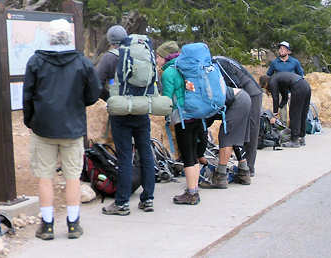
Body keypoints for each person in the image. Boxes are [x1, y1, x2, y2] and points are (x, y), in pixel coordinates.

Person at [23, 19, 101, 240]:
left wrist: (30, 121)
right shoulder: (82, 62)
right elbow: (94, 92)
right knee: (72, 177)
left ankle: (47, 225)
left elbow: (27, 95)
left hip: (43, 128)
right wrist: (79, 104)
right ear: (69, 37)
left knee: (45, 177)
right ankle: (73, 224)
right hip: (73, 128)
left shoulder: (36, 61)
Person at [94, 26, 158, 216]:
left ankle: (121, 203)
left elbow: (97, 82)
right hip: (141, 109)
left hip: (121, 112)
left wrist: (109, 98)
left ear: (110, 40)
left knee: (124, 157)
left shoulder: (110, 57)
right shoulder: (142, 53)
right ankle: (148, 199)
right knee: (145, 153)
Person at [159, 41, 208, 205]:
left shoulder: (169, 73)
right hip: (197, 115)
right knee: (193, 154)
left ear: (165, 57)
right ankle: (193, 188)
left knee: (187, 156)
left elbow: (167, 100)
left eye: (158, 56)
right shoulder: (188, 67)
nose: (157, 60)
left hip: (183, 118)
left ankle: (192, 194)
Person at [213, 56, 263, 178]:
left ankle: (249, 168)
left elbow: (235, 83)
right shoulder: (219, 60)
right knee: (242, 129)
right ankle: (244, 166)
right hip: (247, 92)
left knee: (250, 130)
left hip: (250, 93)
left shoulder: (218, 63)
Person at [259, 72, 311, 148]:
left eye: (264, 87)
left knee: (294, 114)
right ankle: (301, 138)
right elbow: (285, 97)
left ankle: (294, 141)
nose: (266, 89)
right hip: (306, 85)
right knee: (303, 114)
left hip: (298, 87)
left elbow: (275, 98)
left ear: (265, 83)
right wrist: (280, 107)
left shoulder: (272, 81)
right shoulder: (279, 79)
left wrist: (275, 115)